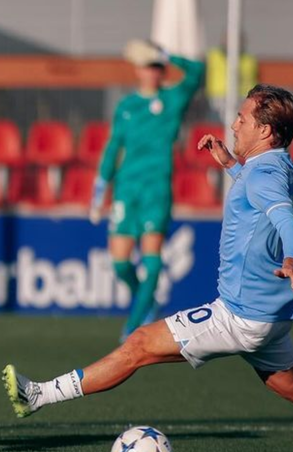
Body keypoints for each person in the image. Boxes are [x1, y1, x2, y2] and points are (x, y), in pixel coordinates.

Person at [4, 84, 293, 452]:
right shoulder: (277, 164)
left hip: (241, 314)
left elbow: (285, 221)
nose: (233, 124)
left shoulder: (264, 175)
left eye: (242, 119)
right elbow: (261, 194)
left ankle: (39, 395)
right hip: (270, 314)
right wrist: (230, 164)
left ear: (265, 131)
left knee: (140, 345)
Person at [90, 40, 205, 342]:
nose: (153, 72)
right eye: (148, 66)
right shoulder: (127, 106)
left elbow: (197, 73)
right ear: (138, 71)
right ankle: (147, 301)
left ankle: (134, 323)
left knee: (152, 258)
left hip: (156, 189)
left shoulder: (172, 99)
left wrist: (168, 54)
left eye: (158, 67)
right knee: (119, 263)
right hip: (127, 189)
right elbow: (114, 145)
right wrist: (101, 184)